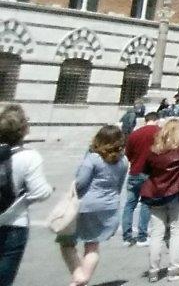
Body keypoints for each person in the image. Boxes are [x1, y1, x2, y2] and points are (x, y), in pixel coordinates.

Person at [59, 125, 128, 286]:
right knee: (92, 245)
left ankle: (79, 276)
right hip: (109, 204)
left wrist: (72, 188)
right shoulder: (124, 161)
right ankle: (81, 281)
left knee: (66, 242)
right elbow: (119, 185)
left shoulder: (93, 158)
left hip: (86, 205)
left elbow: (81, 182)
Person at [138, 119, 179, 282]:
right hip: (176, 192)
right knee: (177, 229)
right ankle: (174, 268)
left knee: (157, 232)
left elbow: (145, 170)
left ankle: (153, 270)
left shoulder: (153, 150)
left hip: (155, 193)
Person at [0, 104, 52, 286]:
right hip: (14, 224)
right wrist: (24, 197)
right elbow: (40, 192)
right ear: (24, 130)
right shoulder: (30, 156)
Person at [122, 111, 159, 247]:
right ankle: (142, 236)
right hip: (149, 174)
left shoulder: (134, 134)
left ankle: (126, 236)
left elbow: (128, 154)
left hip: (134, 172)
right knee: (146, 204)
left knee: (130, 204)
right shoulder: (159, 133)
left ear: (145, 120)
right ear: (157, 120)